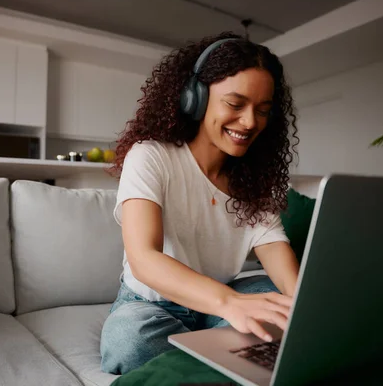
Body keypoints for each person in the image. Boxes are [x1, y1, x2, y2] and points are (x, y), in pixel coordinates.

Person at [100, 32, 300, 375]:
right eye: (235, 104)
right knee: (128, 339)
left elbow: (284, 272)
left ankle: (204, 355)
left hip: (221, 301)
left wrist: (306, 310)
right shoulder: (151, 156)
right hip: (153, 305)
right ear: (195, 98)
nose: (251, 122)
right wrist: (231, 304)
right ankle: (224, 354)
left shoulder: (255, 183)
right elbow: (144, 259)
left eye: (263, 110)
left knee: (281, 305)